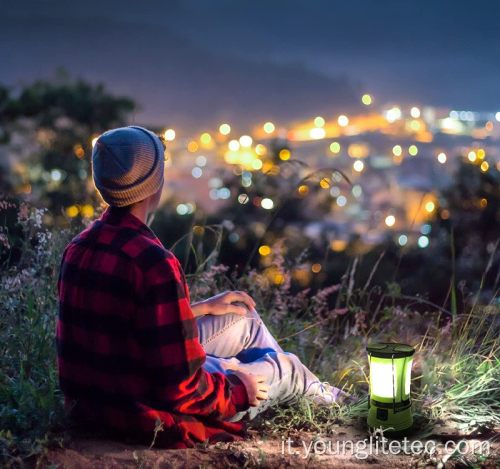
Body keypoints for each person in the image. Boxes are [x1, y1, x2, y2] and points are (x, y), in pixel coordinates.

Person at [56, 126, 344, 449]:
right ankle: (342, 408)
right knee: (288, 368)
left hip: (101, 398)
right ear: (156, 186)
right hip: (144, 412)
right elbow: (180, 388)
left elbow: (123, 326)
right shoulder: (153, 263)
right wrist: (237, 390)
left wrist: (204, 308)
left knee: (243, 319)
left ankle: (308, 396)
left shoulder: (78, 248)